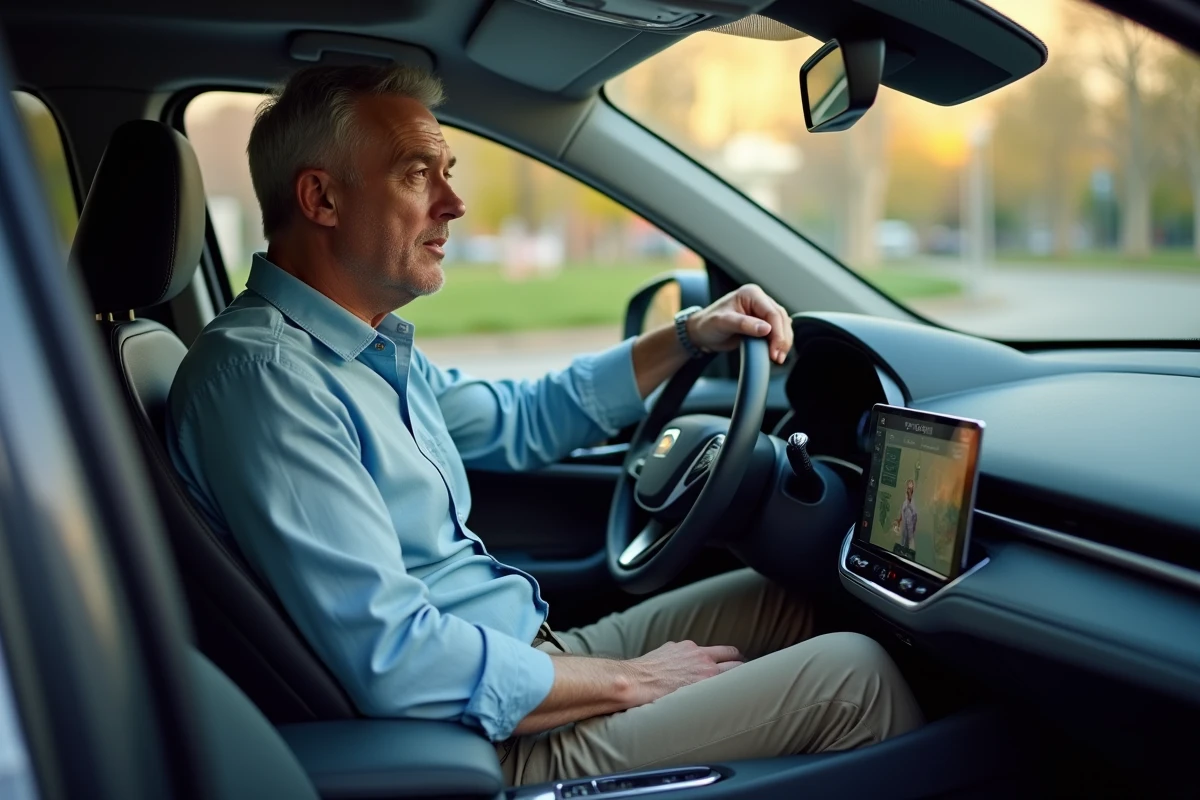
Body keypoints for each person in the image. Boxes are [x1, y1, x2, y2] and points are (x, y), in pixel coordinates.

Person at [167, 64, 922, 786]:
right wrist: (630, 681)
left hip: (523, 658)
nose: (453, 205)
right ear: (322, 200)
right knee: (854, 679)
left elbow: (523, 418)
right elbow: (394, 659)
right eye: (416, 173)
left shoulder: (357, 350)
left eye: (448, 172)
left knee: (789, 597)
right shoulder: (267, 380)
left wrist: (692, 335)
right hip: (484, 740)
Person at [898, 478, 919, 551]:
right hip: (905, 523)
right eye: (908, 485)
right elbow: (902, 512)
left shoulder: (913, 501)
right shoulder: (905, 502)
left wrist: (914, 525)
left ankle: (910, 552)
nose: (909, 488)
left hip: (911, 523)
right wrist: (899, 520)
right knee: (904, 538)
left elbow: (915, 514)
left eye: (911, 485)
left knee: (910, 538)